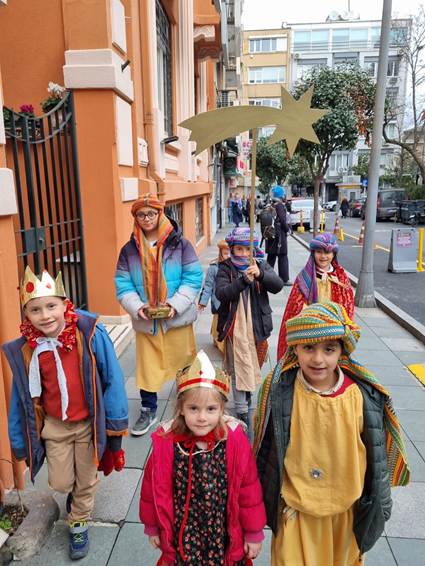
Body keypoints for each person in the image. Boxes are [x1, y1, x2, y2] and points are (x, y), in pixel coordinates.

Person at [254, 302, 410, 566]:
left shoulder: (362, 396)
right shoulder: (279, 391)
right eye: (308, 348)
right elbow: (263, 448)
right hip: (296, 512)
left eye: (329, 349)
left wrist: (381, 506)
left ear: (342, 351)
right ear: (295, 349)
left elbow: (377, 457)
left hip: (345, 514)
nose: (318, 359)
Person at [3, 267, 128, 560]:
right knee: (60, 482)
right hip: (55, 427)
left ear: (65, 304)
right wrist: (19, 440)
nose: (45, 315)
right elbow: (20, 398)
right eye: (35, 309)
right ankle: (76, 495)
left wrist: (114, 430)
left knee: (85, 479)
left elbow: (112, 379)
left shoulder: (89, 332)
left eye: (51, 306)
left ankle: (78, 522)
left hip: (87, 423)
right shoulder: (26, 350)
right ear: (26, 314)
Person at [140, 350, 266, 566]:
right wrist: (152, 526)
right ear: (180, 409)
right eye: (193, 408)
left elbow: (249, 490)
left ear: (221, 409)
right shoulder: (168, 445)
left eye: (210, 409)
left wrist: (253, 532)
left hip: (222, 532)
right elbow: (152, 490)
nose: (201, 417)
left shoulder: (234, 443)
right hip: (184, 532)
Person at [115, 194, 203, 436]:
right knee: (147, 369)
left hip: (176, 319)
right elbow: (123, 284)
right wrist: (136, 306)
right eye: (141, 214)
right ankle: (148, 409)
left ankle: (190, 407)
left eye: (151, 213)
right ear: (135, 217)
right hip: (147, 322)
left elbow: (193, 277)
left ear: (160, 214)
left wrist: (175, 305)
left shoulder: (181, 244)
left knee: (185, 365)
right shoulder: (128, 250)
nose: (146, 218)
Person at [215, 227, 283, 431]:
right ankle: (242, 409)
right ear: (232, 249)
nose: (243, 254)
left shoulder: (260, 264)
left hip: (257, 327)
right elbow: (222, 293)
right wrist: (243, 280)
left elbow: (278, 285)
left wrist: (261, 274)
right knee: (238, 368)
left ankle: (246, 395)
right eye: (239, 249)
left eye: (247, 249)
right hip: (234, 328)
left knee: (253, 364)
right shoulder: (225, 268)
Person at [277, 232, 354, 360]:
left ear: (333, 254)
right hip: (308, 334)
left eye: (328, 252)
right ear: (313, 253)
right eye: (319, 252)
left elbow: (347, 309)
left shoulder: (341, 278)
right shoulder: (304, 278)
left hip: (333, 335)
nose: (323, 256)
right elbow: (294, 309)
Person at [198, 240, 230, 353]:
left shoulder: (234, 267)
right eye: (226, 253)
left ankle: (222, 338)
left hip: (230, 300)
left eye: (230, 253)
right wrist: (203, 302)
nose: (228, 256)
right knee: (218, 320)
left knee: (227, 321)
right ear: (220, 253)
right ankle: (218, 340)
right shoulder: (214, 267)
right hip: (218, 301)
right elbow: (208, 286)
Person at [266, 185, 291, 286]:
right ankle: (284, 279)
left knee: (271, 256)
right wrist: (288, 230)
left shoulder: (271, 204)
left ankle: (266, 276)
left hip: (271, 234)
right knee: (283, 256)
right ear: (281, 195)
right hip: (279, 235)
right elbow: (283, 220)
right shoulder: (280, 205)